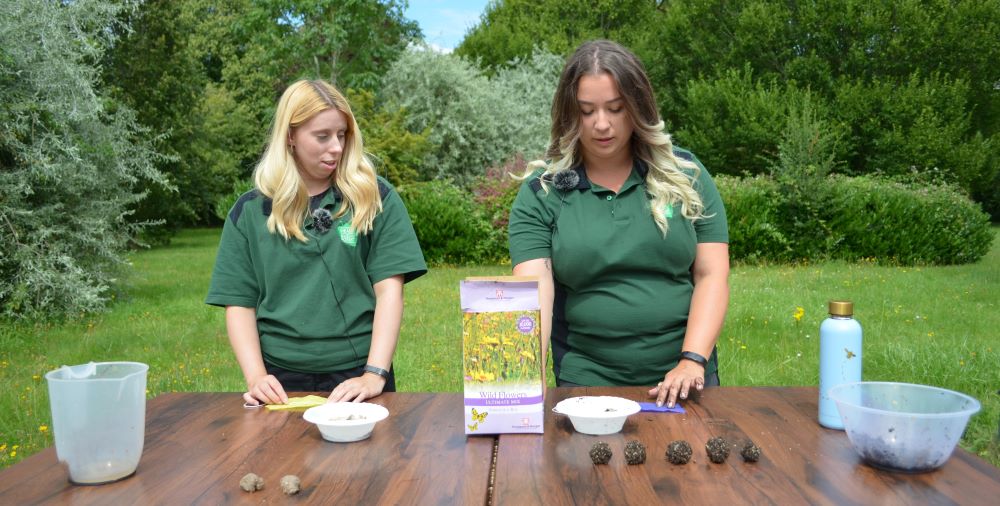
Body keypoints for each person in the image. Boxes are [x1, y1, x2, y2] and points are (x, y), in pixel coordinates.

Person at [508, 40, 729, 408]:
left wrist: (691, 361)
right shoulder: (541, 192)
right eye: (586, 111)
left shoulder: (686, 175)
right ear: (568, 114)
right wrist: (525, 377)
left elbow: (712, 274)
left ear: (638, 107)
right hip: (586, 383)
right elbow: (534, 295)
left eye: (615, 108)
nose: (601, 124)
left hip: (685, 378)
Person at [206, 80, 426, 406]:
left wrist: (374, 374)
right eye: (322, 136)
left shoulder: (373, 198)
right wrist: (256, 377)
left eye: (341, 135)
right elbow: (238, 302)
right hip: (280, 379)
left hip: (357, 375)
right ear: (290, 136)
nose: (336, 147)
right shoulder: (249, 212)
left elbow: (389, 291)